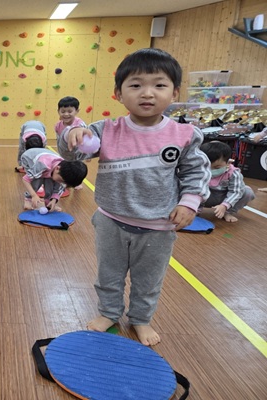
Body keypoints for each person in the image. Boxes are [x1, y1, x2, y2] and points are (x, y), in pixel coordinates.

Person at [67, 48, 211, 346]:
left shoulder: (184, 134)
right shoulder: (106, 129)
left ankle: (141, 319)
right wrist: (73, 134)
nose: (147, 93)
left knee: (148, 280)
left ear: (174, 93)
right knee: (109, 274)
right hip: (111, 220)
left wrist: (189, 202)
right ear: (118, 93)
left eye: (159, 85)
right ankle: (109, 312)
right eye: (135, 85)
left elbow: (196, 171)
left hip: (158, 225)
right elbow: (75, 152)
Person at [199, 141, 255, 222]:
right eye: (207, 166)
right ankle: (195, 210)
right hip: (206, 197)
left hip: (224, 198)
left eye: (217, 167)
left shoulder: (233, 173)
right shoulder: (198, 170)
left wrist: (225, 205)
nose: (211, 170)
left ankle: (228, 212)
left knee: (247, 192)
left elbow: (236, 192)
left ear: (228, 163)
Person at [20, 147, 87, 212]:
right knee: (37, 180)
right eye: (60, 180)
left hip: (47, 161)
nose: (60, 182)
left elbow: (60, 187)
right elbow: (25, 180)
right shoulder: (43, 165)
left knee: (51, 181)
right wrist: (34, 195)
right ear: (57, 168)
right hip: (29, 158)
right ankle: (28, 199)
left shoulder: (63, 172)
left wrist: (54, 200)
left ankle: (48, 203)